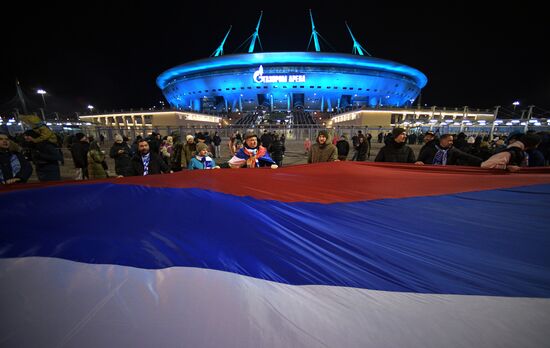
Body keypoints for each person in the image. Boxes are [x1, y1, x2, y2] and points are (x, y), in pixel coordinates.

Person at [415, 134, 482, 166]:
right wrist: (419, 162)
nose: (452, 142)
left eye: (452, 141)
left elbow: (466, 156)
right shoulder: (429, 148)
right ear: (442, 140)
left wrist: (481, 162)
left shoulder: (452, 150)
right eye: (449, 140)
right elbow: (419, 159)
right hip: (430, 172)